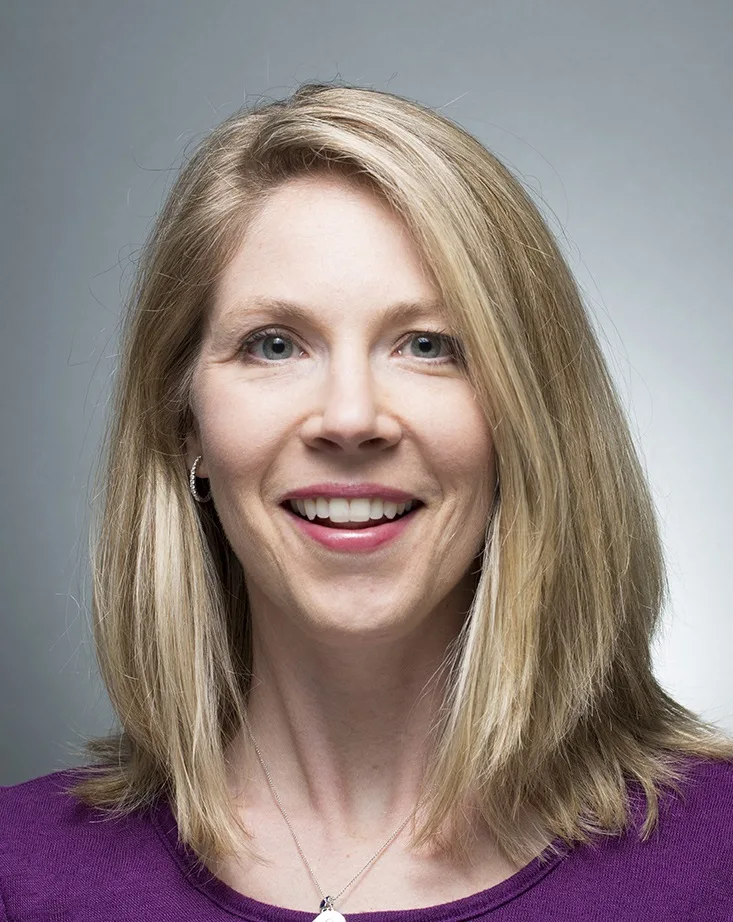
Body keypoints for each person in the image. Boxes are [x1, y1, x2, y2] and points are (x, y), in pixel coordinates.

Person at [1, 82, 732, 921]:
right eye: (274, 345)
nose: (350, 418)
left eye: (427, 345)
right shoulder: (19, 876)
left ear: (528, 421)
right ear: (185, 426)